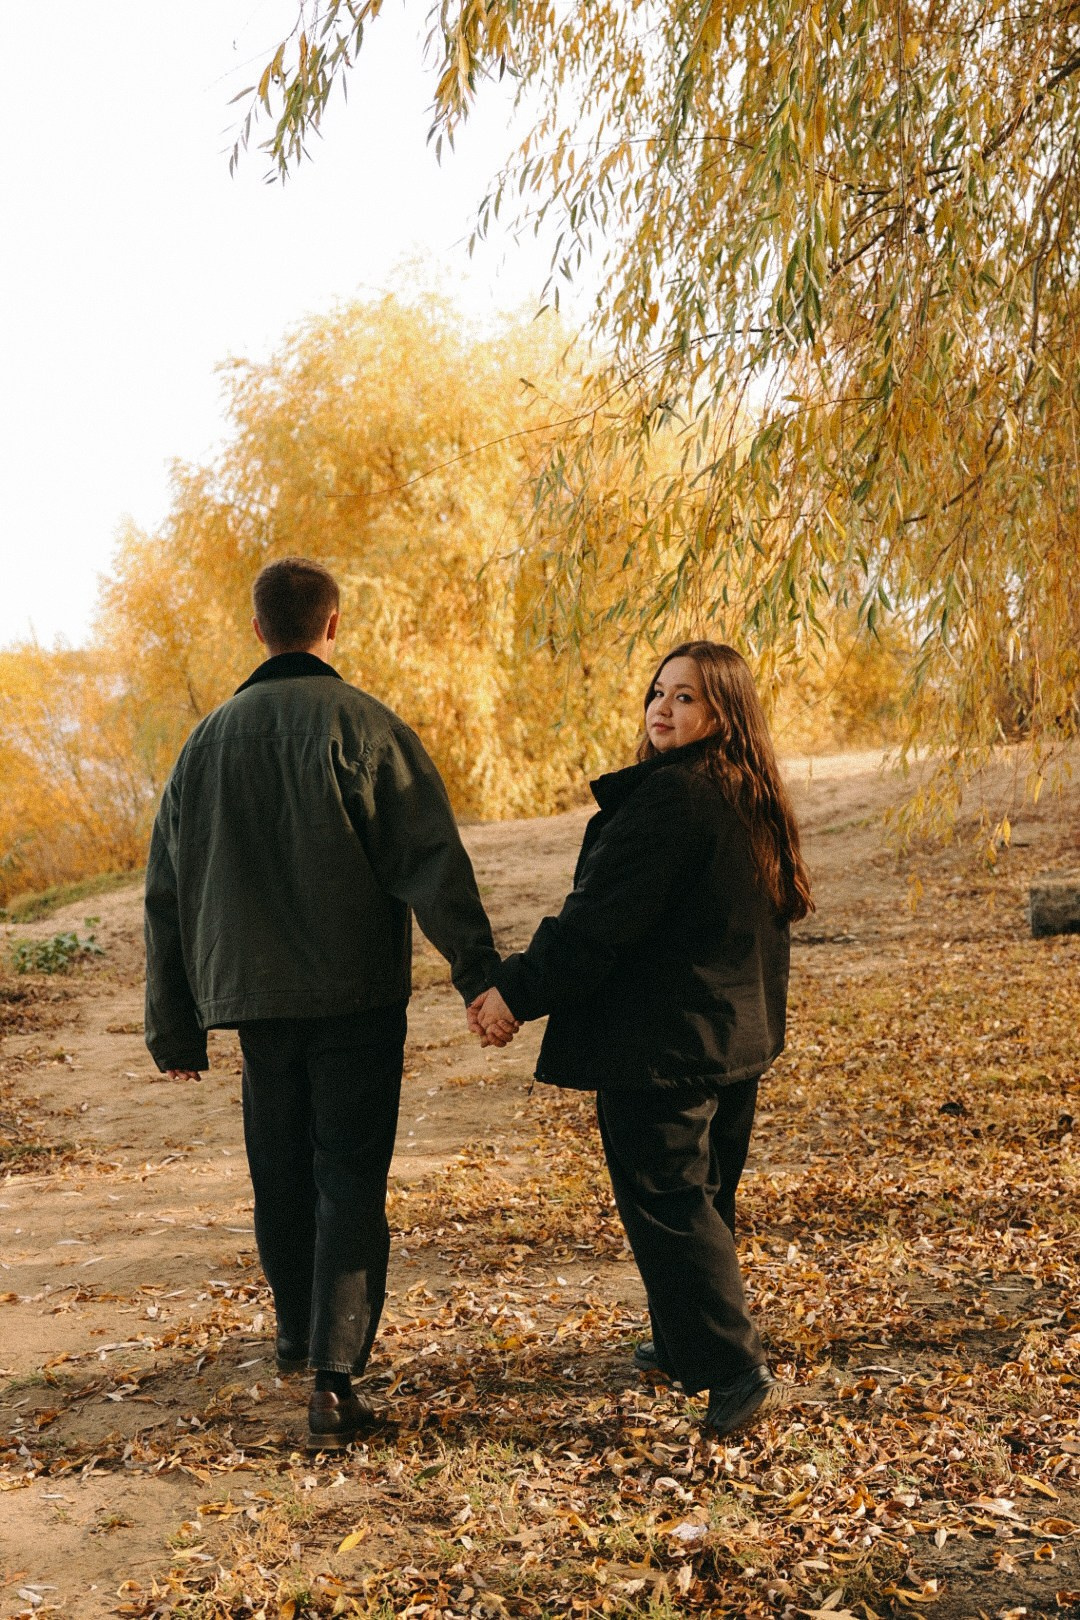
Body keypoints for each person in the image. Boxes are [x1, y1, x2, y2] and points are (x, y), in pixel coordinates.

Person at [144, 556, 500, 1449]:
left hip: (257, 1004)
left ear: (257, 628)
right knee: (348, 1174)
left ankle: (301, 1331)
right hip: (356, 998)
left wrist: (176, 1024)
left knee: (281, 1168)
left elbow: (167, 892)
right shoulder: (366, 728)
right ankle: (335, 1379)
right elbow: (432, 861)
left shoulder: (205, 743)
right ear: (332, 625)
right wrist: (478, 973)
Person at [470, 641, 812, 1438]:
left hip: (666, 1046)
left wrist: (510, 995)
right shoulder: (745, 793)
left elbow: (595, 926)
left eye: (687, 697)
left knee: (668, 1202)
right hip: (731, 1037)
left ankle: (730, 1366)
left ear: (723, 710)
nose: (663, 708)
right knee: (705, 1195)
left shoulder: (674, 801)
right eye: (659, 692)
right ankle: (682, 1339)